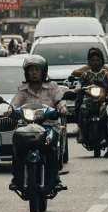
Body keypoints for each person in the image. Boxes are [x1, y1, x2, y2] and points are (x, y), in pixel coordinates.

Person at [8, 55, 68, 190]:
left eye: (37, 69)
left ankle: (55, 177)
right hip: (27, 127)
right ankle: (17, 176)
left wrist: (62, 109)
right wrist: (9, 110)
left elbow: (60, 101)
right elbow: (14, 103)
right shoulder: (22, 89)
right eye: (31, 70)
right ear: (26, 72)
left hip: (49, 126)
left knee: (52, 149)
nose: (34, 73)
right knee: (17, 145)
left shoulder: (53, 87)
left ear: (43, 71)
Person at [67, 47, 107, 142]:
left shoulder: (106, 73)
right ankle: (81, 130)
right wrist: (78, 88)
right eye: (93, 60)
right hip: (88, 97)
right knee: (81, 108)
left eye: (97, 60)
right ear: (89, 61)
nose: (95, 62)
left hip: (102, 97)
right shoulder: (86, 73)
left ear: (101, 61)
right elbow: (80, 82)